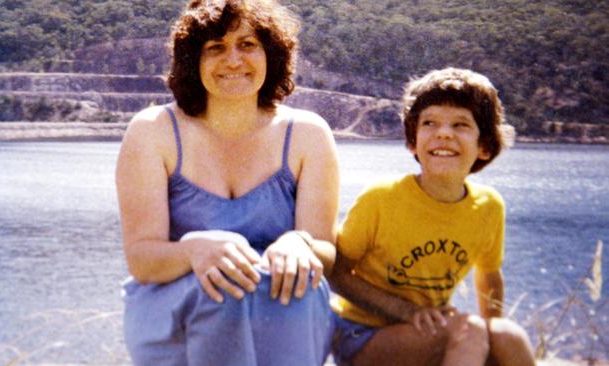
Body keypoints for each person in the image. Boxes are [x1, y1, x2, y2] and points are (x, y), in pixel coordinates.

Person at [115, 1, 339, 365]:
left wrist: (301, 243)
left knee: (300, 288)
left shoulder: (308, 134)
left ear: (272, 55)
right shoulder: (153, 131)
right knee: (223, 291)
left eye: (248, 45)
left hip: (278, 312)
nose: (233, 60)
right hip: (180, 312)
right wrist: (193, 251)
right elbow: (142, 260)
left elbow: (326, 253)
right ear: (193, 61)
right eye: (215, 48)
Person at [329, 68, 535, 366]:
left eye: (461, 124)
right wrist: (406, 312)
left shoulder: (488, 206)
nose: (443, 133)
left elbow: (489, 275)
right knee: (467, 329)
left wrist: (495, 336)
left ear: (485, 146)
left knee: (508, 335)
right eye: (429, 123)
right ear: (413, 141)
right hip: (362, 335)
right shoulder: (382, 198)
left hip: (426, 332)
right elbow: (336, 273)